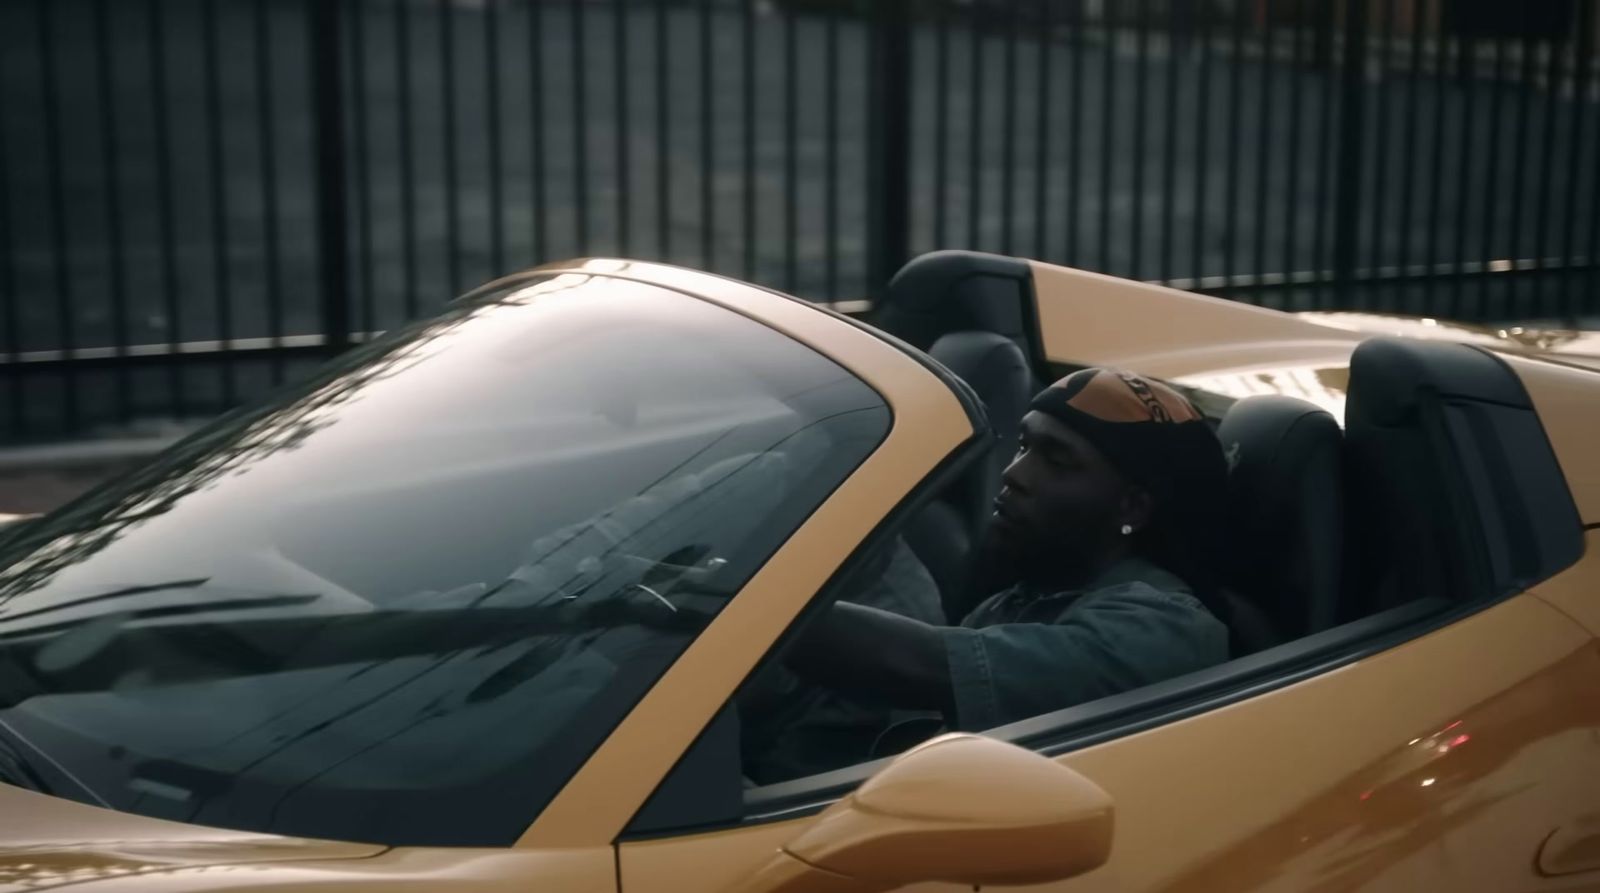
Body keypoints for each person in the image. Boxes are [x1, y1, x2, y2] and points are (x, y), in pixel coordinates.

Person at [782, 366, 1231, 734]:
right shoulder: (1026, 596)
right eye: (1023, 445)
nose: (1014, 474)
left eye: (1056, 460)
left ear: (1131, 505)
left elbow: (918, 668)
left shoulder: (1163, 630)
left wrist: (751, 614)